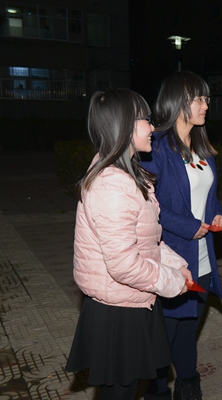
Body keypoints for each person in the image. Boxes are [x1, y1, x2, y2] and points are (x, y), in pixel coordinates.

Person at [66, 88, 192, 400]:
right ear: (124, 126)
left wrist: (177, 266)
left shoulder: (127, 173)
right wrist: (171, 282)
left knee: (124, 390)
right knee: (119, 393)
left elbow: (146, 240)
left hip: (132, 298)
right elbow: (123, 264)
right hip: (118, 312)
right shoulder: (113, 185)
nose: (152, 127)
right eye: (145, 120)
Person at [140, 71, 222, 400]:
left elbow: (209, 196)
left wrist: (217, 213)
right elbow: (148, 206)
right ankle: (158, 391)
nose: (206, 105)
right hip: (171, 259)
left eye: (206, 98)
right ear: (179, 103)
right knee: (164, 334)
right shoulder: (157, 148)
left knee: (188, 328)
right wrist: (189, 227)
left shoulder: (202, 146)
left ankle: (188, 386)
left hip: (202, 258)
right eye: (199, 99)